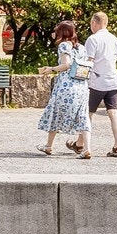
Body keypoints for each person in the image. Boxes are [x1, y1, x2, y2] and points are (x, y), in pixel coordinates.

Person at [36, 20, 91, 156]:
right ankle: (87, 149)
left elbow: (66, 64)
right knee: (83, 116)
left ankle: (48, 146)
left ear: (62, 33)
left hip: (66, 86)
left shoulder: (63, 45)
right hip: (82, 86)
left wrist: (51, 69)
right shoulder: (81, 48)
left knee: (55, 113)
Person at [85, 10, 117, 157]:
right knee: (113, 112)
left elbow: (89, 61)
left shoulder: (93, 39)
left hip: (96, 81)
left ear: (94, 23)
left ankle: (82, 144)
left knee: (88, 114)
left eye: (91, 23)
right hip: (113, 80)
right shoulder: (114, 39)